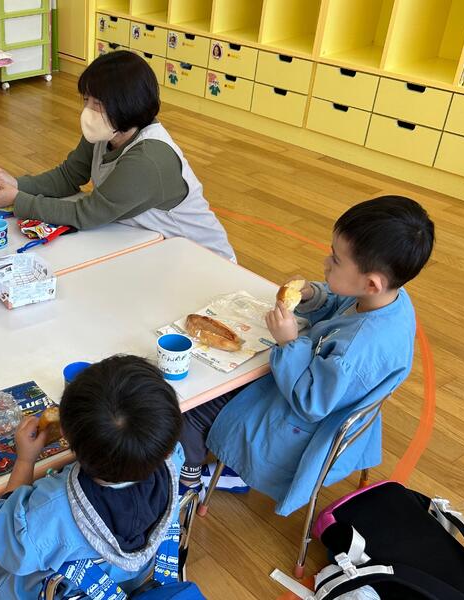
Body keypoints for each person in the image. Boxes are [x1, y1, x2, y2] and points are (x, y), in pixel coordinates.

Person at [180, 195, 435, 516]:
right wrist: (315, 295)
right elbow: (343, 303)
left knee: (192, 409)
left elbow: (310, 402)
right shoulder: (387, 298)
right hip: (325, 404)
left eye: (336, 260)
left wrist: (290, 343)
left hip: (297, 426)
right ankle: (230, 470)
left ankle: (188, 481)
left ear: (371, 283)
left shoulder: (355, 350)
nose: (326, 263)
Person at [0, 356, 184, 599]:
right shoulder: (174, 459)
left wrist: (25, 460)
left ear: (65, 434)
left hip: (59, 590)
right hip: (131, 579)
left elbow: (6, 543)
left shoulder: (52, 507)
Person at [0, 51, 236, 261]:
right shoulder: (107, 131)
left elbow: (88, 214)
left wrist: (17, 199)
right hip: (152, 243)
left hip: (202, 260)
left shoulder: (148, 158)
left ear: (126, 105)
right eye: (86, 100)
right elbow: (68, 176)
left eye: (97, 104)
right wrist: (17, 184)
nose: (88, 111)